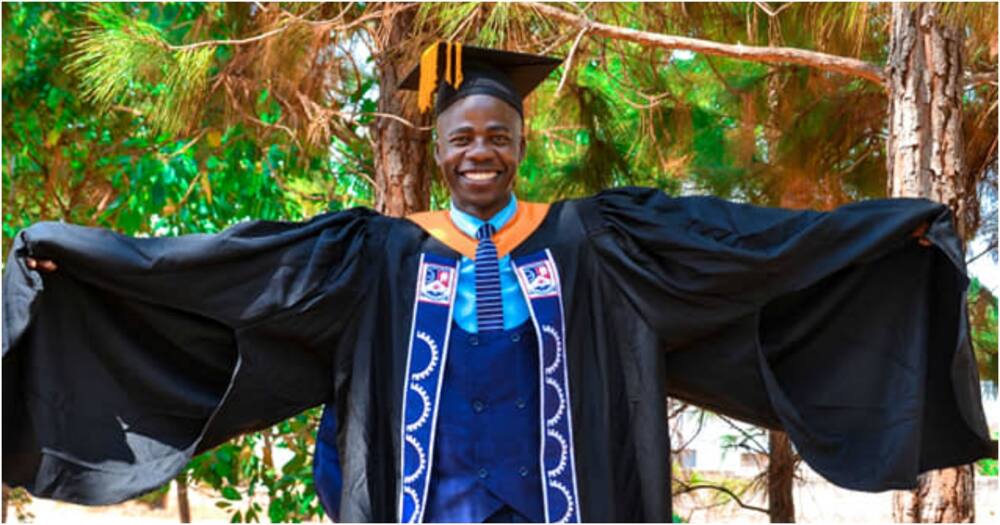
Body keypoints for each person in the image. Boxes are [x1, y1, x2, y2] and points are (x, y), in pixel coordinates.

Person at [3, 42, 994, 523]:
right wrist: (85, 257)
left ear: (521, 147)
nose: (481, 151)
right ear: (438, 155)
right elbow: (224, 269)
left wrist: (881, 233)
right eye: (461, 138)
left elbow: (747, 247)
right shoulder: (376, 255)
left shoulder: (598, 241)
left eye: (498, 136)